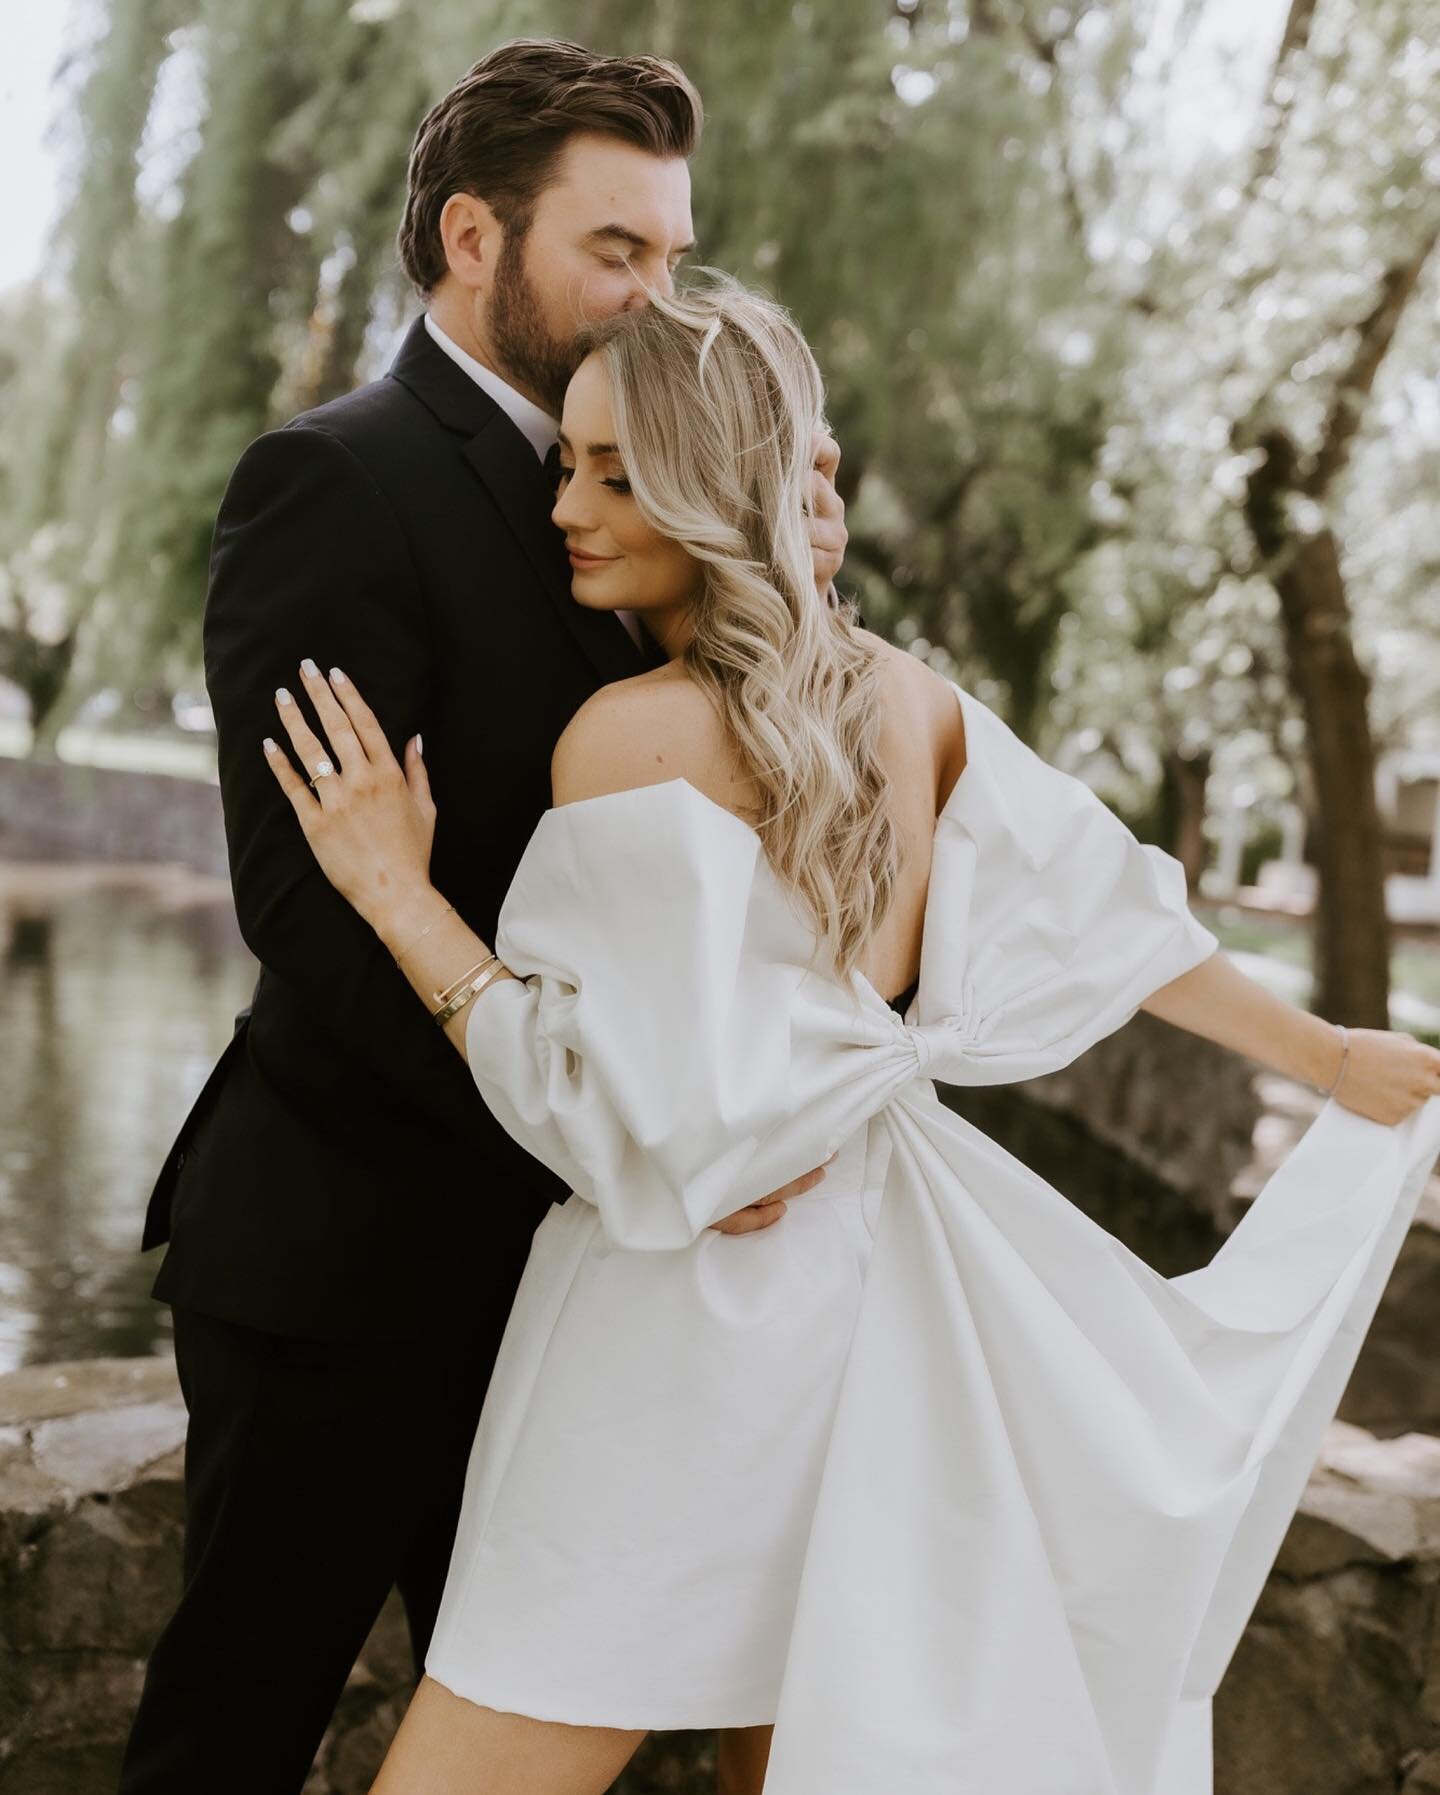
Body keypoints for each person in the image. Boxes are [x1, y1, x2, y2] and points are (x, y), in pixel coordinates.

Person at [263, 274, 1440, 1795]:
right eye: (569, 459)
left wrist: (395, 894)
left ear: (720, 485)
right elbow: (1115, 926)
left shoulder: (628, 740)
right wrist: (1336, 1059)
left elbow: (601, 1108)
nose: (568, 502)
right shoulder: (915, 705)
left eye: (618, 473)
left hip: (676, 1343)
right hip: (871, 1311)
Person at [121, 41, 847, 1795]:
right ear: (471, 238)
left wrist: (792, 576)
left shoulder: (660, 482)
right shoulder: (336, 482)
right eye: (618, 252)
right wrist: (634, 1133)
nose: (655, 295)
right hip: (347, 1263)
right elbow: (316, 911)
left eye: (675, 256)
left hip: (580, 1269)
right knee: (235, 1732)